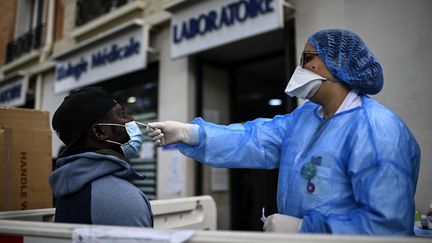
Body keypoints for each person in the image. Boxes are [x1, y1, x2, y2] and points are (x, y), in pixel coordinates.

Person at [148, 29, 420, 235]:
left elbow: (387, 225)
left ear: (337, 62)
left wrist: (304, 229)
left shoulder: (376, 130)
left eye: (307, 58)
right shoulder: (305, 118)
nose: (300, 67)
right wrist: (191, 133)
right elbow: (252, 139)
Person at [49, 87, 153, 227]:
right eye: (122, 114)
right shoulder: (122, 200)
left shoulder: (69, 186)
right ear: (99, 132)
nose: (131, 119)